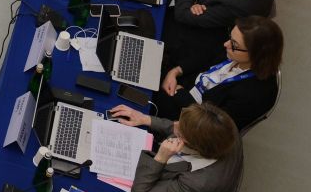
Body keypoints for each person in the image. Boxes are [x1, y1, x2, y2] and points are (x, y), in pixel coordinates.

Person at [115, 16, 283, 137]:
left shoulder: (255, 95)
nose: (226, 44)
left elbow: (211, 126)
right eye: (230, 38)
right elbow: (206, 55)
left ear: (256, 55)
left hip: (187, 118)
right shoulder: (235, 52)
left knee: (119, 104)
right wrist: (175, 71)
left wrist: (181, 95)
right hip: (180, 86)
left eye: (234, 44)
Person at [131, 102, 243, 192]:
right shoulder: (225, 127)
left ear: (194, 146)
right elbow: (186, 128)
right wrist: (146, 119)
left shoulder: (197, 183)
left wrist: (160, 158)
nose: (175, 125)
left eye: (180, 132)